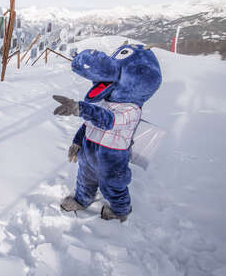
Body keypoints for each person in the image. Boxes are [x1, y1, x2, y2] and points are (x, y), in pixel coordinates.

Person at [53, 43, 162, 222]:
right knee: (84, 179)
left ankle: (120, 210)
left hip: (112, 159)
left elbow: (108, 120)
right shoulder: (105, 100)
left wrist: (79, 108)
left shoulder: (131, 110)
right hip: (88, 153)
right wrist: (77, 142)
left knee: (113, 186)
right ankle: (82, 199)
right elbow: (88, 125)